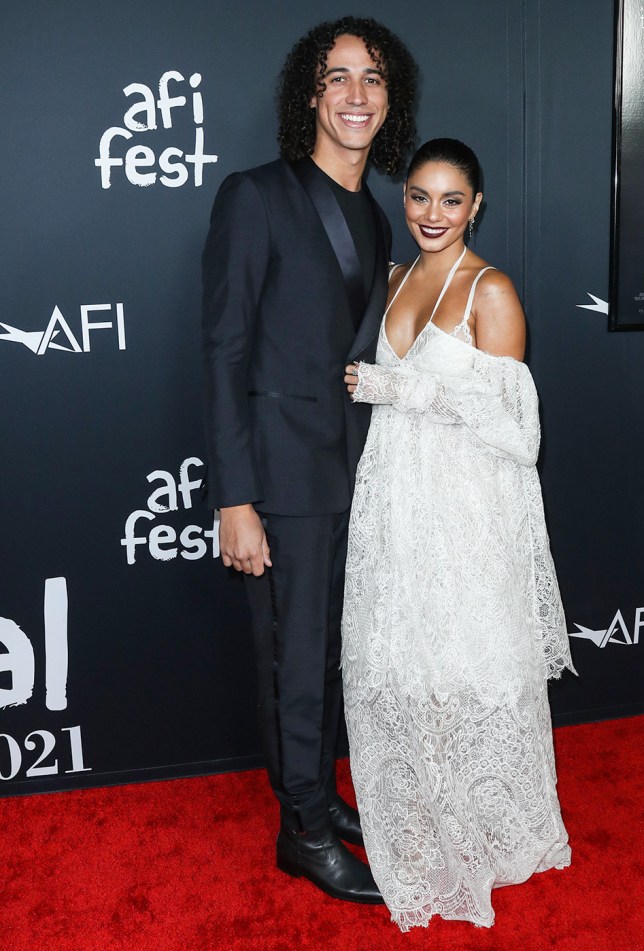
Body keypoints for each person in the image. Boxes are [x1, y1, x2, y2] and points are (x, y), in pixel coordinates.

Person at [201, 18, 418, 903]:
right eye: (337, 77)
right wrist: (234, 497)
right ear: (310, 96)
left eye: (372, 78)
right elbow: (223, 350)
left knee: (326, 655)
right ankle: (301, 830)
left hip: (352, 473)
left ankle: (317, 794)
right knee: (290, 658)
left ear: (389, 100)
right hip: (279, 477)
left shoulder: (375, 215)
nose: (356, 93)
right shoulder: (254, 196)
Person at [342, 138, 576, 929]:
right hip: (396, 501)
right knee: (408, 662)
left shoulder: (492, 289)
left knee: (465, 663)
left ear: (476, 205)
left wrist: (402, 390)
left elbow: (518, 428)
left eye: (450, 199)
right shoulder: (394, 278)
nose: (432, 214)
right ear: (402, 200)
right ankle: (424, 820)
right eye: (418, 197)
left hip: (464, 509)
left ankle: (479, 828)